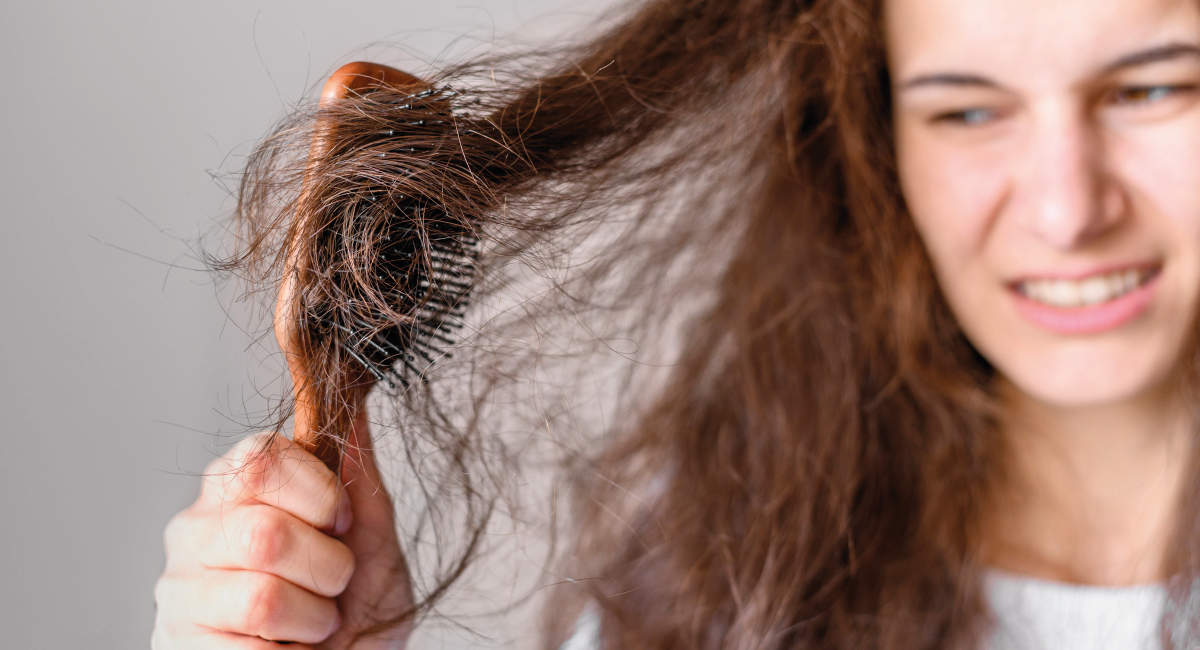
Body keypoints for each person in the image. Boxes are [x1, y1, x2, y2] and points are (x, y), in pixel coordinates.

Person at [151, 0, 1200, 647]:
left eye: (1152, 89)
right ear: (880, 143)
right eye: (966, 110)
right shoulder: (735, 563)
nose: (1069, 211)